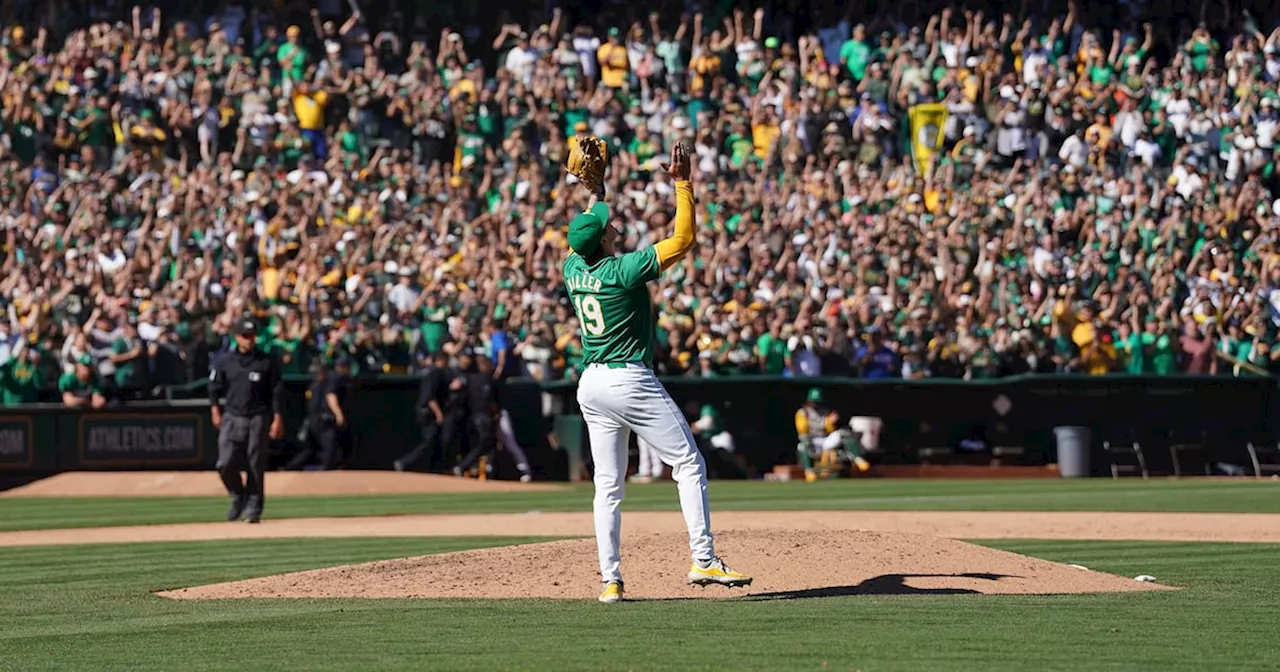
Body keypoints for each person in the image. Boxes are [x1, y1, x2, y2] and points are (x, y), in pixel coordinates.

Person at [563, 140, 750, 604]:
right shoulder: (623, 271)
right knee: (688, 463)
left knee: (608, 487)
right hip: (629, 379)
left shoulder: (573, 266)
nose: (614, 226)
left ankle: (610, 581)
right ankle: (703, 558)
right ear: (604, 241)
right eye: (609, 228)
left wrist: (596, 189)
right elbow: (683, 240)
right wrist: (683, 185)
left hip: (592, 385)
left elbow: (589, 227)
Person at [208, 318, 284, 523]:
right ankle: (237, 494)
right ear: (236, 337)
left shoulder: (265, 361)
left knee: (255, 461)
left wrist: (277, 418)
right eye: (246, 336)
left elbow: (276, 391)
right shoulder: (224, 360)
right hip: (232, 415)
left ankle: (254, 507)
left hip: (258, 415)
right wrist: (215, 410)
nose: (250, 340)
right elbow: (214, 388)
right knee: (225, 462)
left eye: (252, 336)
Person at [395, 350, 457, 472]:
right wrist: (439, 413)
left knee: (436, 441)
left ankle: (435, 468)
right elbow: (430, 398)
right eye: (446, 360)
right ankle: (405, 462)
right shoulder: (436, 373)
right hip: (428, 413)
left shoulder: (432, 372)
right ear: (440, 360)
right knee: (429, 441)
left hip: (426, 412)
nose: (447, 363)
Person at [285, 360, 348, 470]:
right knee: (329, 447)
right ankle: (324, 472)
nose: (319, 374)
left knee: (311, 448)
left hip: (319, 419)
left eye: (321, 371)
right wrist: (338, 414)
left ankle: (290, 467)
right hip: (320, 420)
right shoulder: (317, 385)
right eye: (317, 372)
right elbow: (331, 397)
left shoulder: (326, 382)